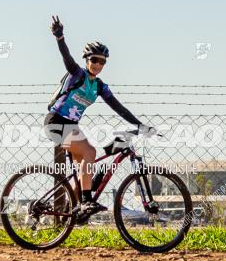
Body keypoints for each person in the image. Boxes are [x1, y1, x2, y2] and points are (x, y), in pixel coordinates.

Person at [44, 15, 153, 223]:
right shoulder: (78, 75)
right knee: (90, 152)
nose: (98, 64)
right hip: (55, 122)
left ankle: (72, 211)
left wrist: (139, 125)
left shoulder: (99, 86)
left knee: (87, 168)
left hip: (71, 126)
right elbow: (67, 59)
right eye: (94, 60)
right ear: (87, 60)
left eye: (102, 61)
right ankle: (85, 202)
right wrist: (60, 37)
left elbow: (118, 107)